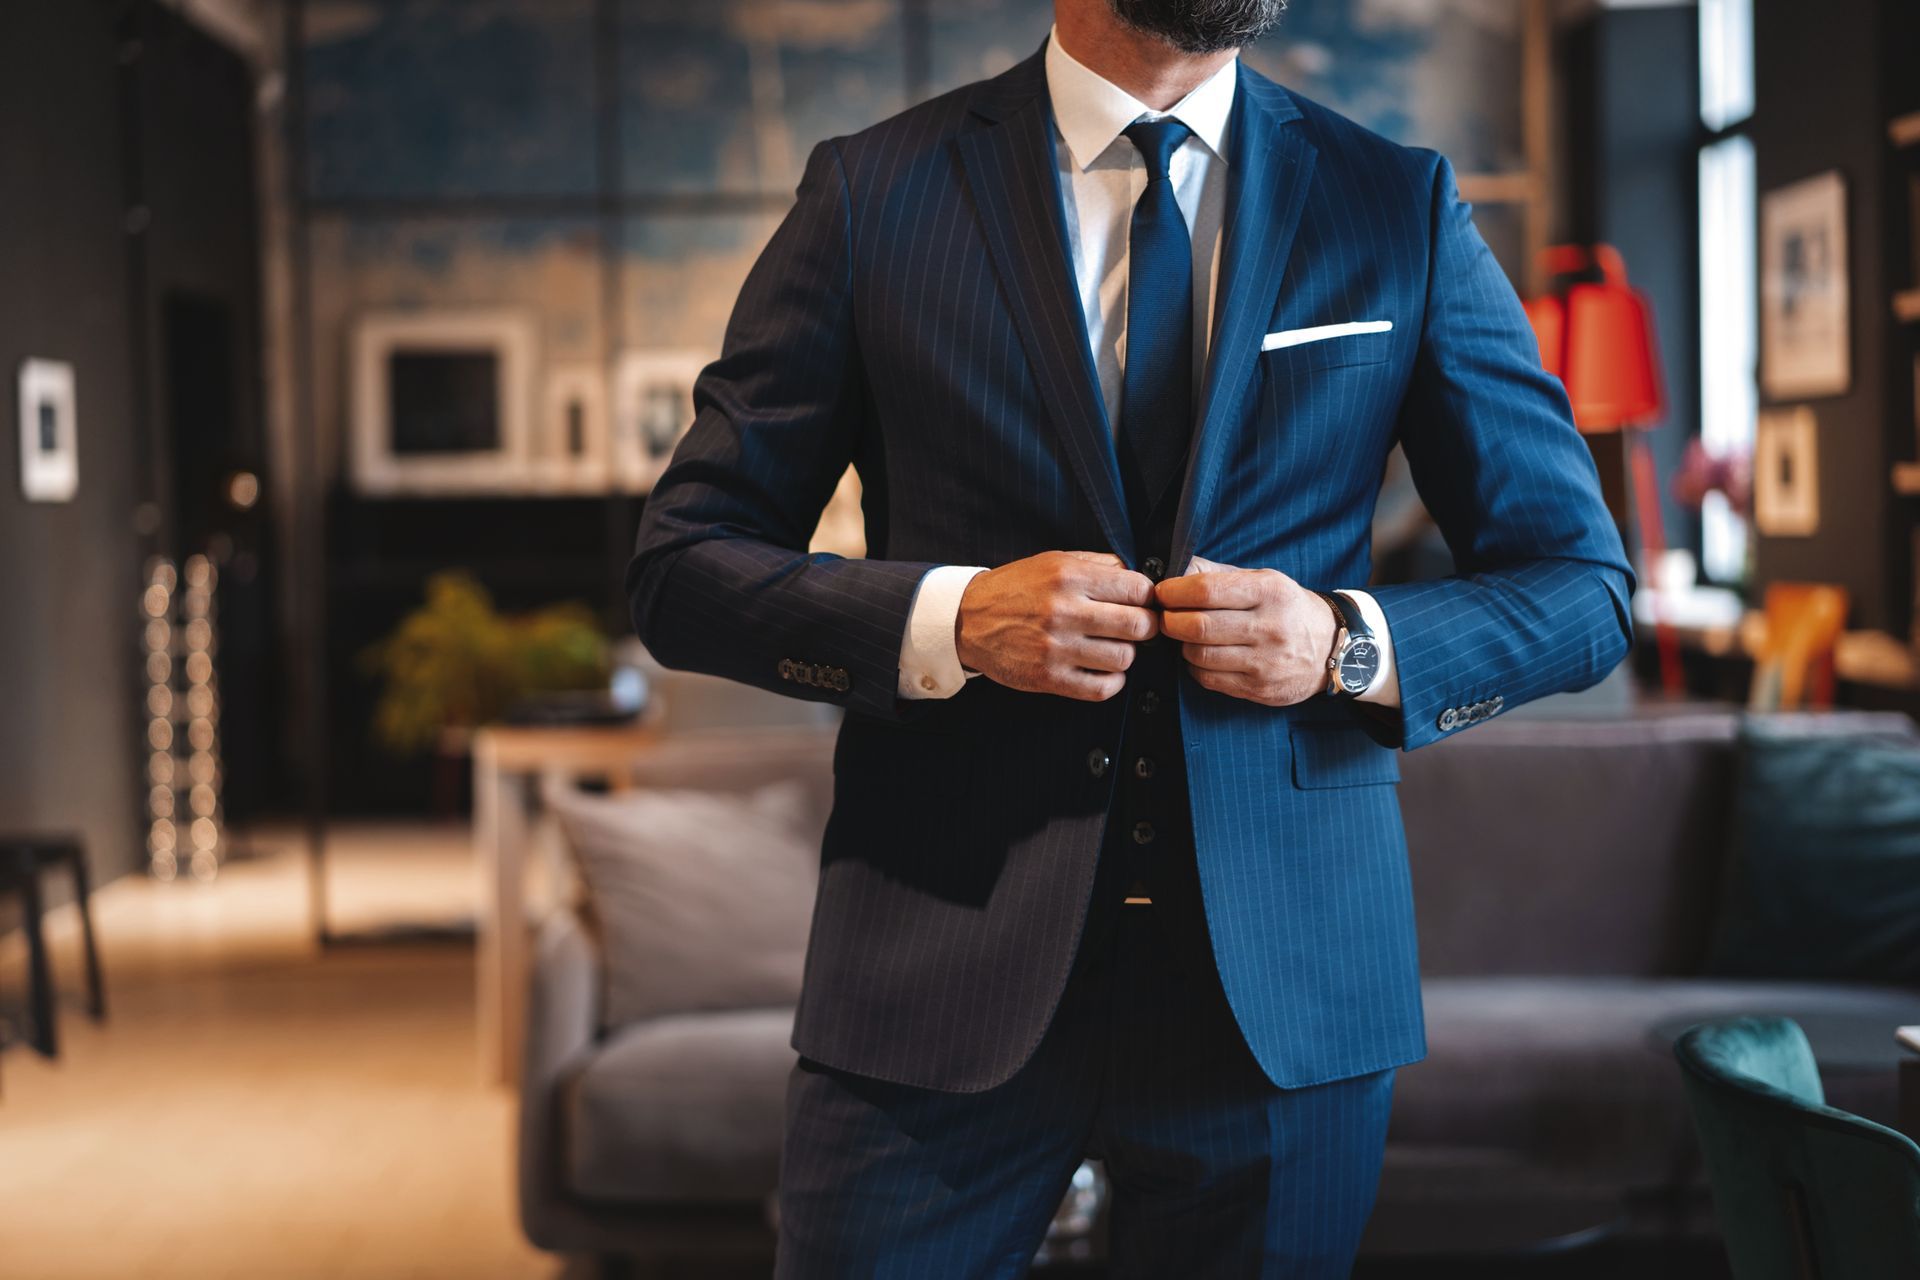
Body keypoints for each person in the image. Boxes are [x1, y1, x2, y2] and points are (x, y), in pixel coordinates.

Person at [627, 0, 1633, 1272]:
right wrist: (949, 619)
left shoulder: (1398, 203)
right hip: (937, 969)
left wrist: (1343, 643)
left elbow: (1582, 586)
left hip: (1284, 991)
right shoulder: (873, 191)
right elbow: (682, 565)